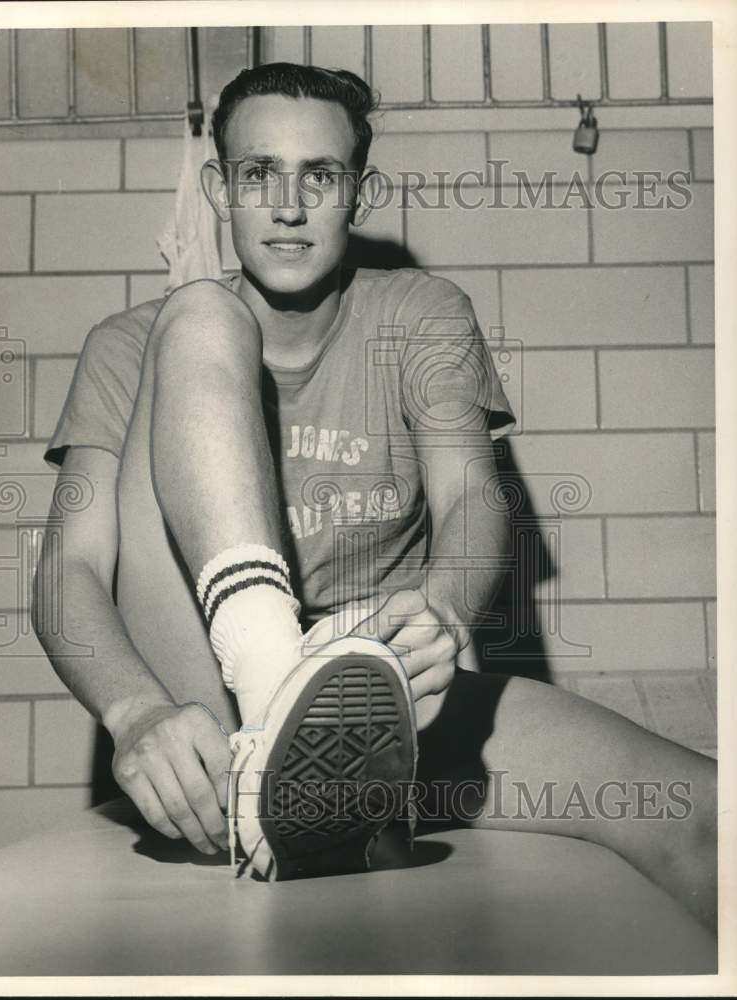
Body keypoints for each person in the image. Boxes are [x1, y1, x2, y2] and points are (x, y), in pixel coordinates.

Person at [35, 63, 716, 924]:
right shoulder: (124, 343)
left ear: (360, 190)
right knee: (200, 311)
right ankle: (267, 667)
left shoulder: (420, 312)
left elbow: (473, 497)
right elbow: (70, 573)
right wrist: (135, 715)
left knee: (704, 812)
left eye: (319, 175)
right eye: (258, 174)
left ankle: (307, 732)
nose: (288, 205)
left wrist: (440, 609)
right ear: (220, 189)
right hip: (204, 701)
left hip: (374, 703)